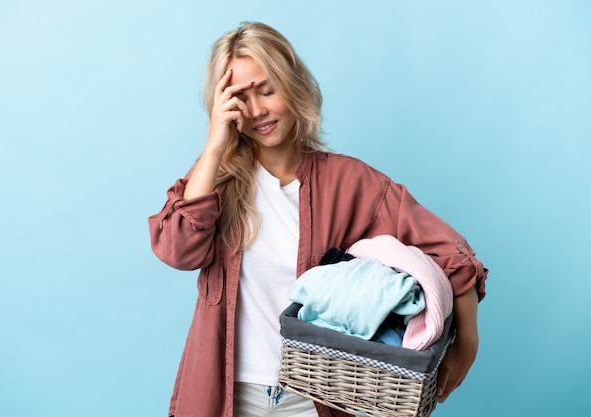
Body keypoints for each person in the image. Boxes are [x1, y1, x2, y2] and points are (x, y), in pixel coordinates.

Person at [148, 21, 488, 417]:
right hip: (227, 395)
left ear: (292, 84)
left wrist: (467, 344)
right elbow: (176, 249)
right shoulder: (215, 179)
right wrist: (214, 145)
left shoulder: (349, 182)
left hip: (314, 400)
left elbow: (453, 254)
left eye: (267, 90)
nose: (257, 110)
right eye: (240, 97)